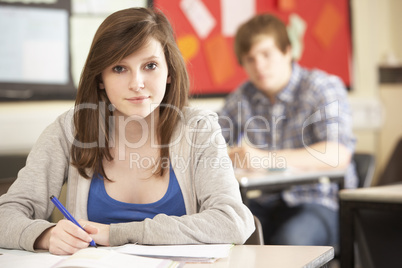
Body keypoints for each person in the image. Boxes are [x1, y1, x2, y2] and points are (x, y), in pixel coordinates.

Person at [0, 7, 254, 255]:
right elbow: (5, 217)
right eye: (119, 69)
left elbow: (232, 221)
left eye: (150, 66)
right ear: (100, 77)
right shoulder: (70, 129)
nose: (137, 84)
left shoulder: (198, 129)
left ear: (169, 71)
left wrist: (116, 233)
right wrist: (44, 236)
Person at [218, 13, 357, 249]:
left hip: (318, 202)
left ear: (288, 51)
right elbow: (209, 141)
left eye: (266, 54)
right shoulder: (244, 96)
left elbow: (337, 154)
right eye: (250, 59)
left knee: (290, 243)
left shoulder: (320, 87)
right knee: (226, 239)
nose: (259, 65)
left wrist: (265, 160)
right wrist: (230, 154)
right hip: (264, 201)